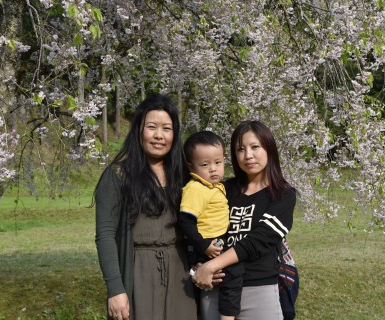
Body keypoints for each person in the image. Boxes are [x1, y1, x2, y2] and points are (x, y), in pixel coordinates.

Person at [94, 93, 197, 320]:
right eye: (151, 127)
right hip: (138, 273)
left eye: (166, 129)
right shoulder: (118, 175)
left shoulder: (185, 176)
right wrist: (115, 289)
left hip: (180, 275)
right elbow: (105, 235)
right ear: (139, 130)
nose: (159, 135)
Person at [193, 120, 296, 320]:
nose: (248, 155)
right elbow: (202, 228)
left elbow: (257, 241)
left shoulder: (283, 195)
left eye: (255, 147)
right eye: (240, 149)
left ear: (269, 148)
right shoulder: (222, 190)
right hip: (216, 289)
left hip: (259, 289)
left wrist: (212, 265)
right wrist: (200, 265)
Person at [177, 131, 242, 320]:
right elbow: (185, 221)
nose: (213, 169)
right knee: (233, 272)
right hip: (206, 243)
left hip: (215, 241)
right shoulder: (196, 188)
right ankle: (227, 315)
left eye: (218, 163)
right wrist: (203, 246)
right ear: (191, 167)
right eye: (205, 165)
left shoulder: (214, 186)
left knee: (224, 274)